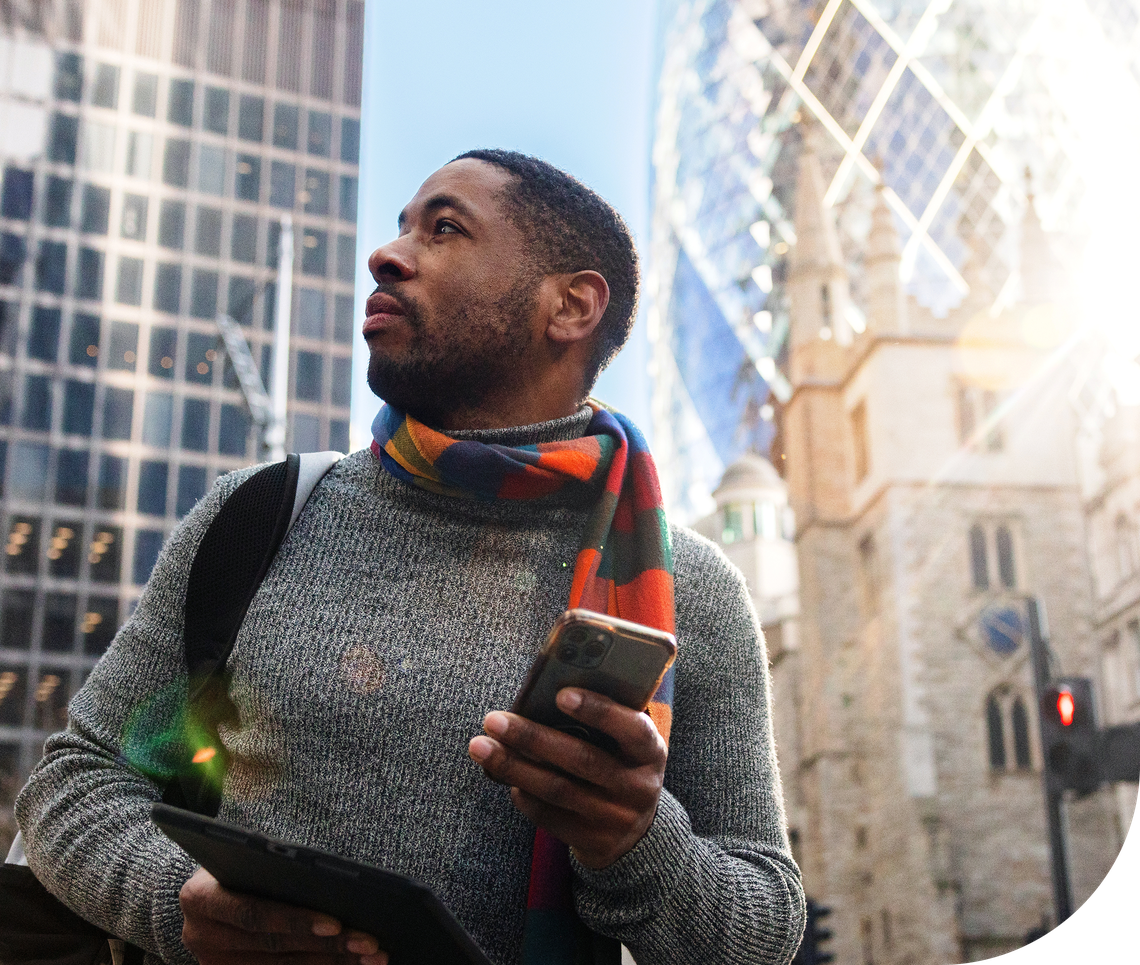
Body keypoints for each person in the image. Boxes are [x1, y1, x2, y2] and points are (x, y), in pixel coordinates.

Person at [15, 150, 806, 965]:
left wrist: (636, 840)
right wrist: (178, 901)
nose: (387, 253)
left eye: (445, 228)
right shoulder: (258, 516)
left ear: (571, 306)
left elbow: (766, 924)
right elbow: (80, 780)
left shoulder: (690, 590)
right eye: (400, 226)